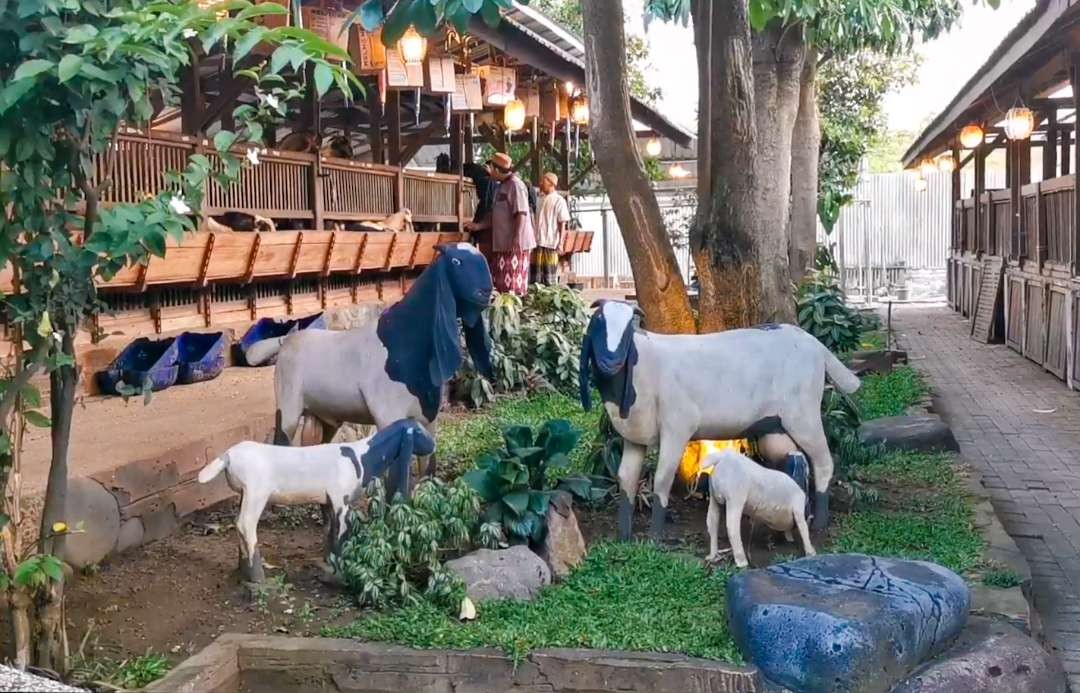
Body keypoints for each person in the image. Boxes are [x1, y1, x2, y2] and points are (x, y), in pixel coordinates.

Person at [465, 152, 536, 296]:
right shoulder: (500, 187)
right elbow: (495, 215)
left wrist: (516, 240)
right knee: (502, 285)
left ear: (496, 169)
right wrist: (477, 226)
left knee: (513, 287)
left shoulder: (516, 186)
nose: (488, 171)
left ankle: (514, 316)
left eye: (490, 168)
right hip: (502, 244)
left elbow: (521, 214)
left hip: (515, 245)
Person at [531, 172, 570, 286]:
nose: (541, 183)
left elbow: (562, 223)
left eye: (544, 180)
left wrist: (561, 243)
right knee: (536, 279)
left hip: (551, 244)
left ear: (551, 183)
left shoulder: (559, 200)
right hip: (538, 243)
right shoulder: (539, 200)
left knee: (550, 278)